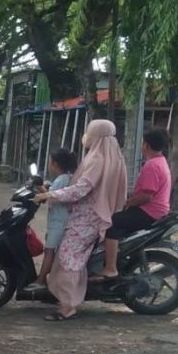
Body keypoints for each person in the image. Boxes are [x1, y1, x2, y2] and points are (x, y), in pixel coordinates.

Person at [33, 119, 128, 321]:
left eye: (89, 133)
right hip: (94, 215)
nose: (86, 137)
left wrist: (49, 195)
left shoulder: (97, 159)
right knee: (70, 258)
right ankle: (68, 299)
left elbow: (81, 189)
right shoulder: (113, 156)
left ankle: (68, 307)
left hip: (87, 218)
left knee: (68, 259)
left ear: (96, 136)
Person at [95, 128, 171, 280]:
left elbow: (146, 196)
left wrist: (126, 203)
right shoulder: (160, 162)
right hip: (157, 211)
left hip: (149, 211)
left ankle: (110, 268)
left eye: (143, 142)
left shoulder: (152, 165)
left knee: (112, 222)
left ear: (146, 145)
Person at [30, 148, 78, 288]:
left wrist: (40, 187)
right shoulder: (65, 178)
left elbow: (52, 196)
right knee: (51, 251)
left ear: (56, 165)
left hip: (59, 222)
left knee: (49, 251)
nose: (49, 166)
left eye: (50, 163)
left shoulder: (62, 179)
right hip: (60, 220)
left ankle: (40, 281)